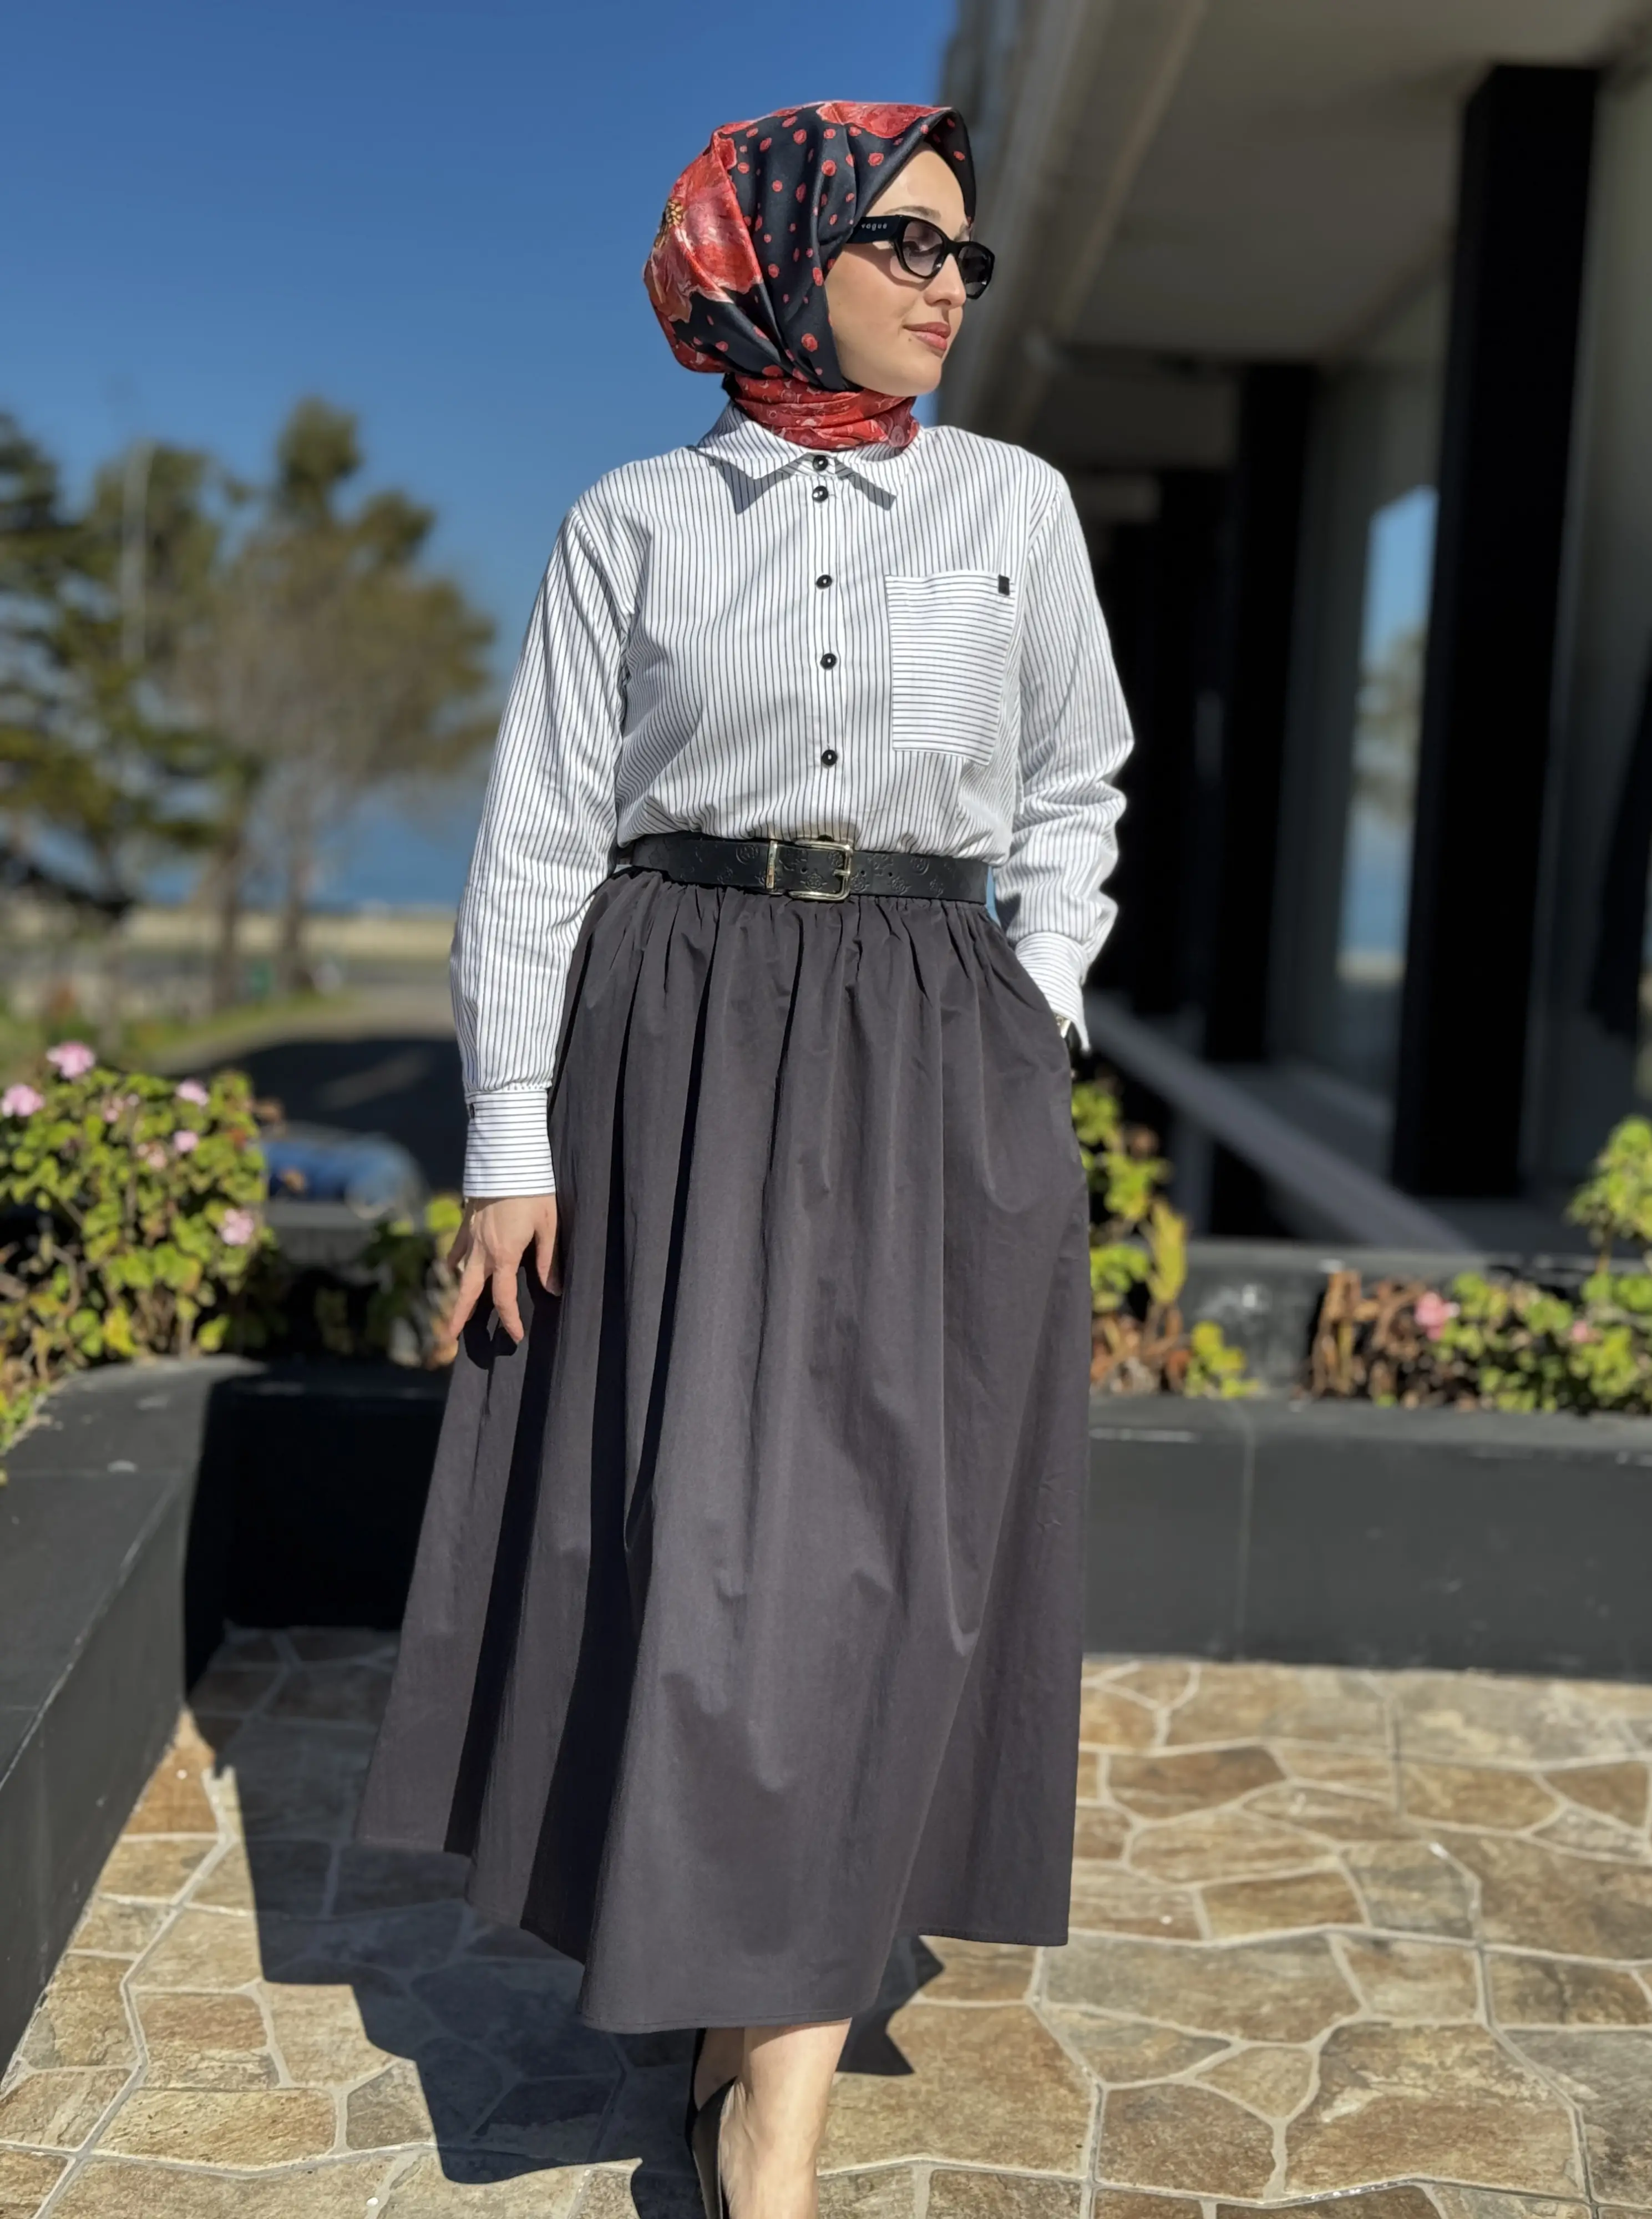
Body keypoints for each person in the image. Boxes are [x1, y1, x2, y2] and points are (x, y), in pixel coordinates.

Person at [356, 98, 1133, 2219]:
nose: (948, 285)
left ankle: (758, 2099)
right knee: (702, 1545)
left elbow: (1077, 785)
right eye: (904, 243)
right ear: (780, 259)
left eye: (966, 252)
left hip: (932, 1042)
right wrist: (507, 1140)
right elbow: (540, 837)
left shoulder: (1015, 506)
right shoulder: (631, 520)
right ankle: (742, 2050)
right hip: (676, 1037)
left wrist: (1035, 1003)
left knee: (882, 1559)